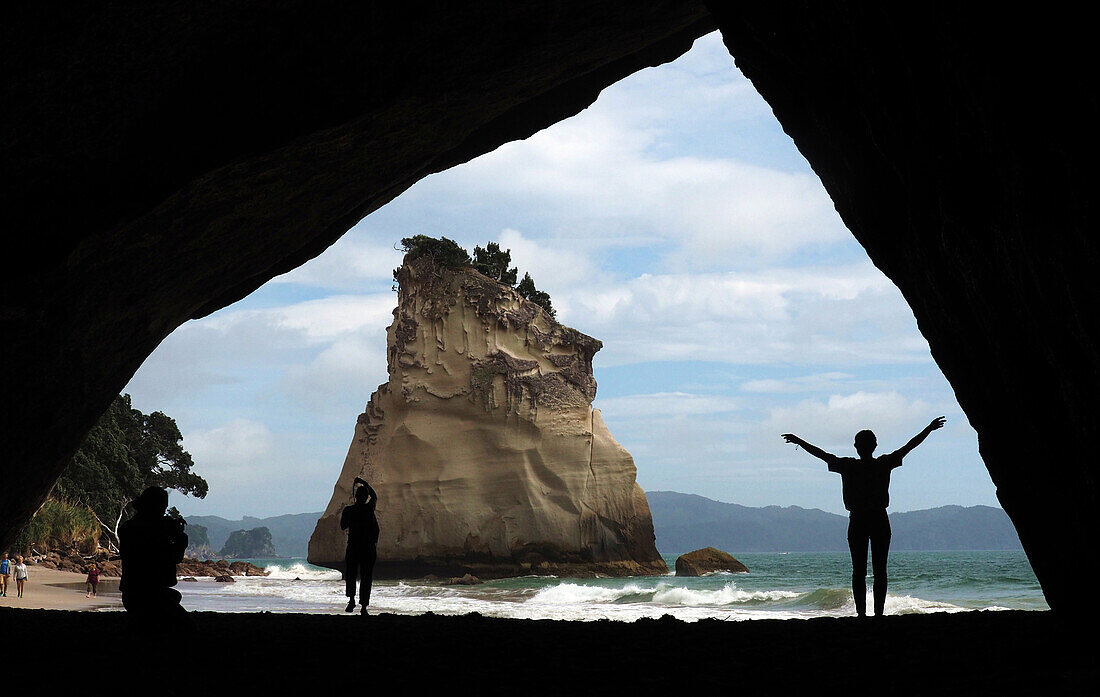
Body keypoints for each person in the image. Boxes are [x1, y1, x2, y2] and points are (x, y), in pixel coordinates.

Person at [782, 416, 946, 617]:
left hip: (859, 520)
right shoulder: (883, 463)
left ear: (856, 447)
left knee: (858, 571)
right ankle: (878, 615)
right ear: (875, 446)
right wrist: (928, 429)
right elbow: (909, 446)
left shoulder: (849, 465)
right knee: (880, 571)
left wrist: (799, 441)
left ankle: (862, 615)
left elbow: (822, 454)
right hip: (878, 519)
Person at [118, 486, 189, 629]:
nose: (163, 512)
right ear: (154, 507)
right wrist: (180, 540)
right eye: (162, 508)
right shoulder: (152, 531)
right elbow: (172, 558)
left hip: (131, 594)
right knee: (188, 628)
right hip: (148, 595)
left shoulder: (128, 527)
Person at [340, 476, 379, 615]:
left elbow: (342, 526)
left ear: (356, 497)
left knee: (351, 574)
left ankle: (351, 601)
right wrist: (364, 483)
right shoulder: (369, 509)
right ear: (365, 497)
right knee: (366, 576)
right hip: (368, 548)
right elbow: (374, 496)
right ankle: (363, 607)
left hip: (353, 547)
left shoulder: (349, 510)